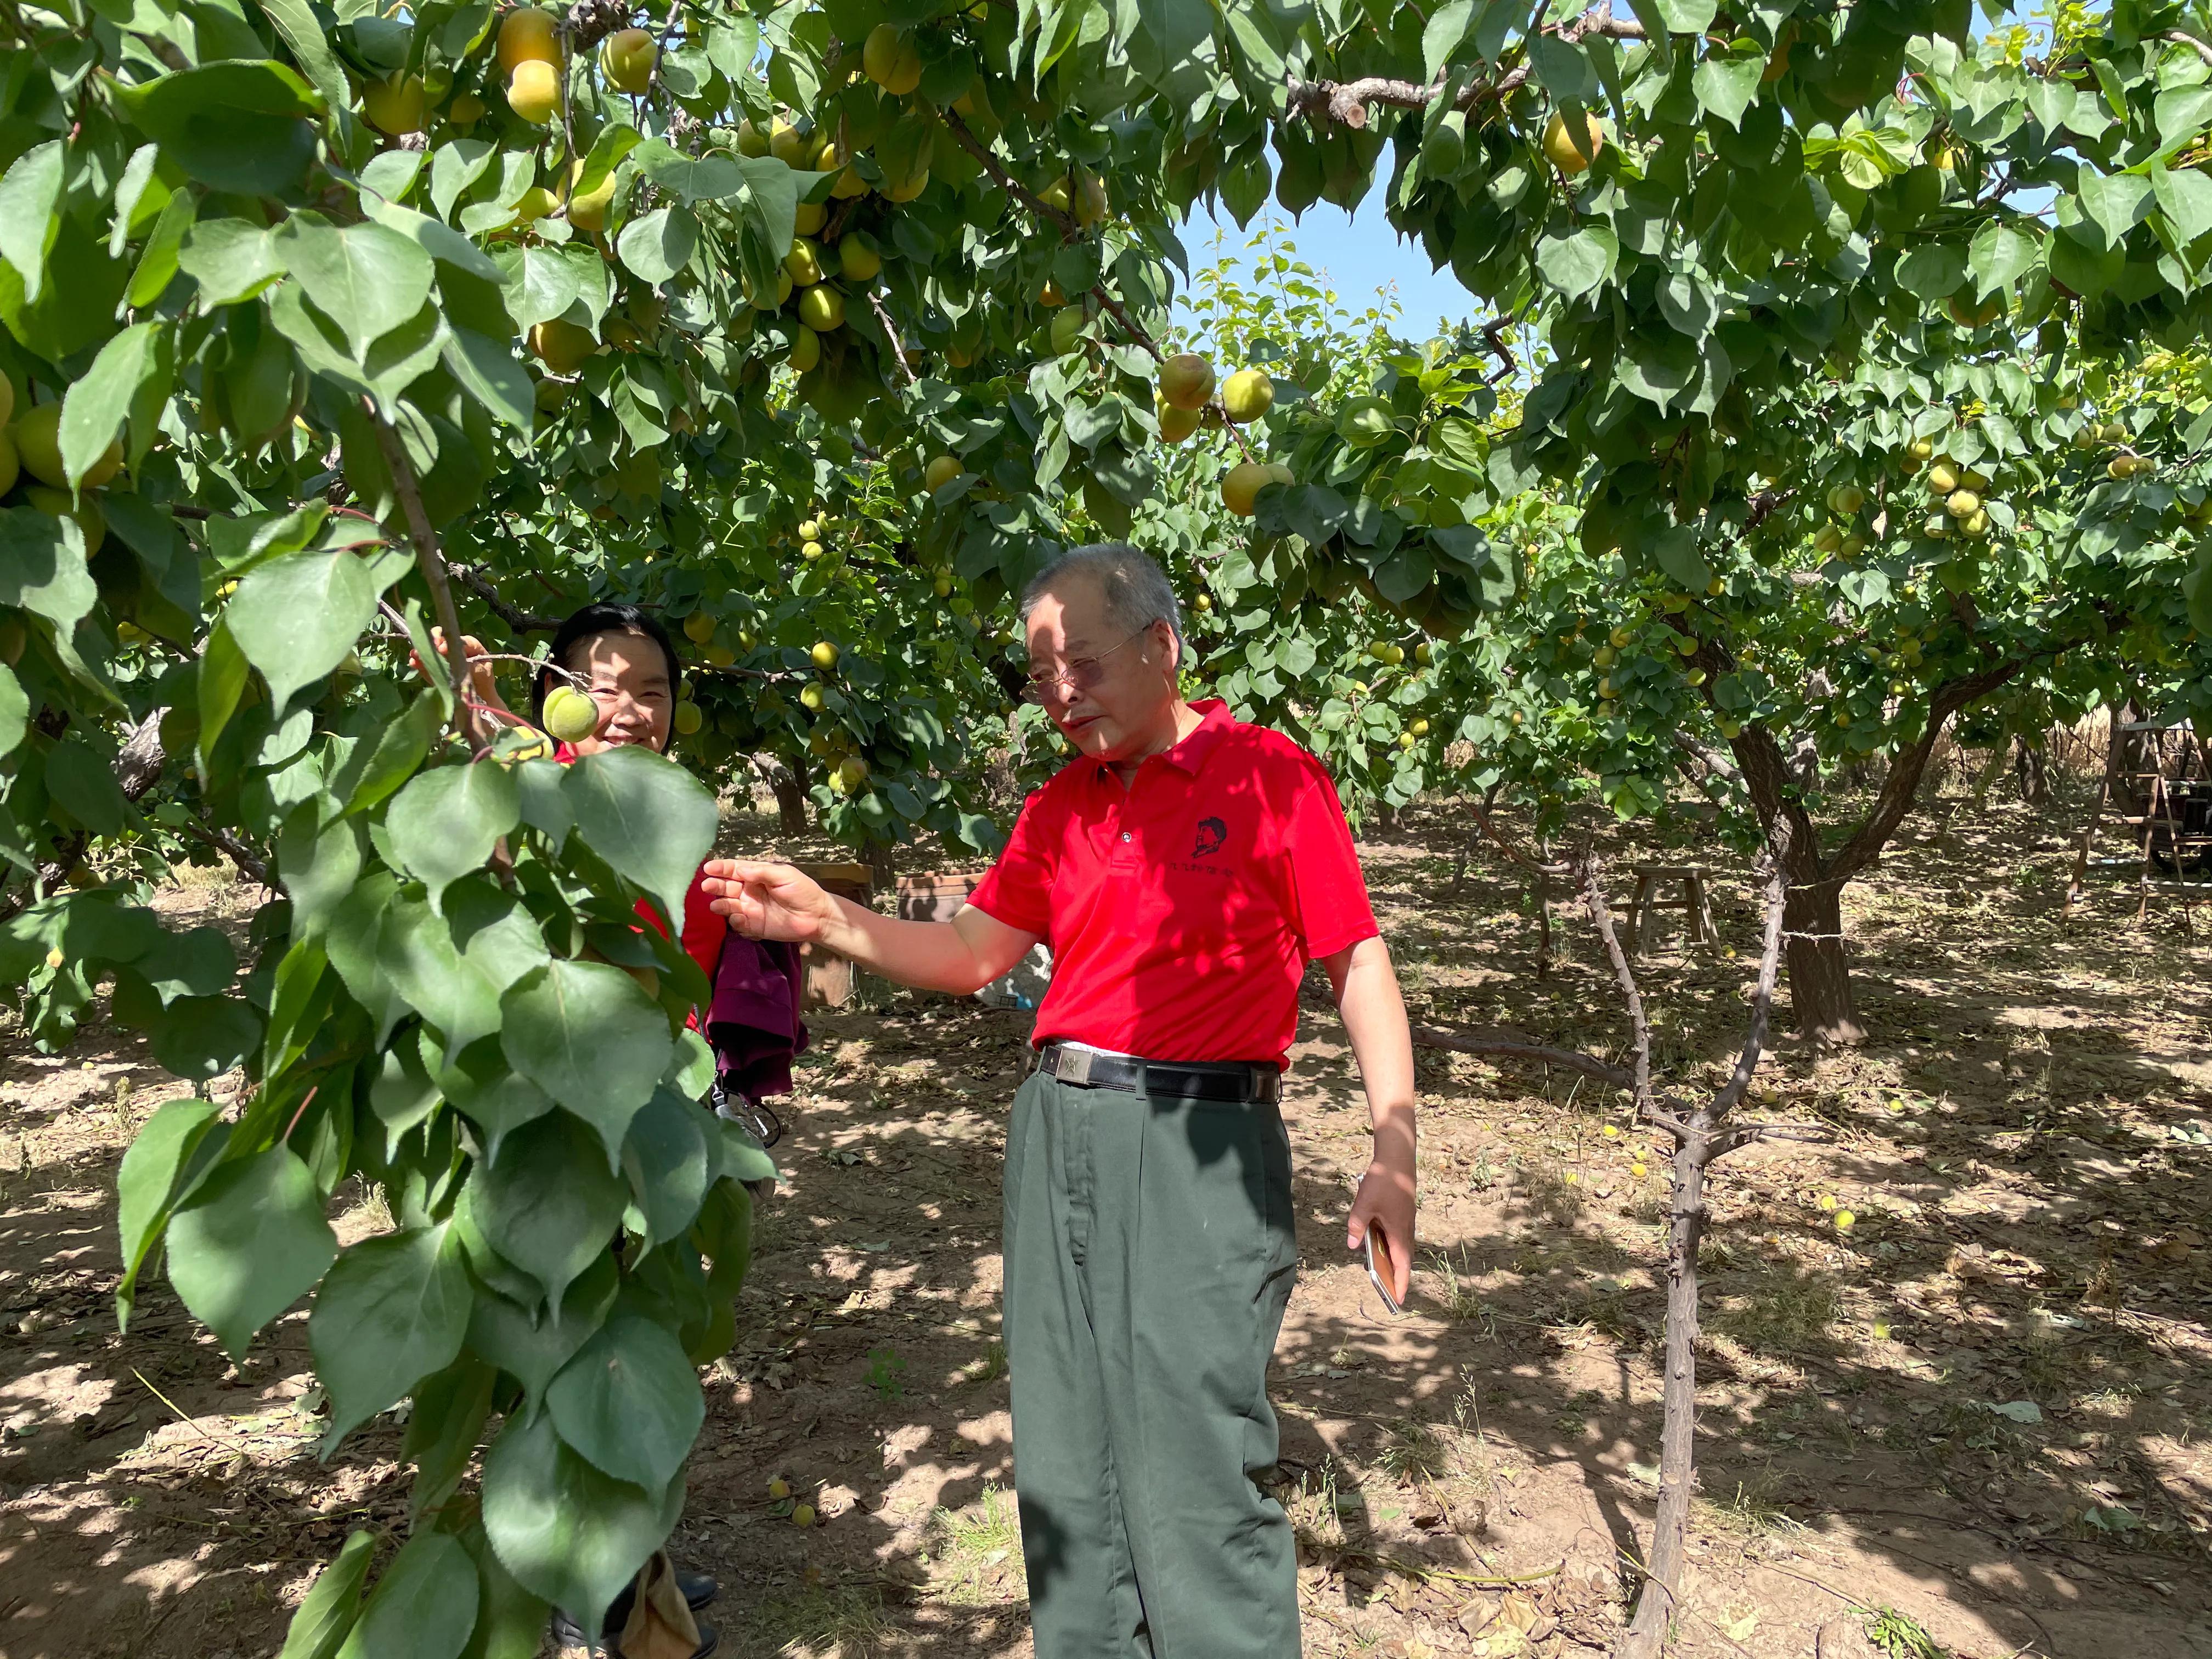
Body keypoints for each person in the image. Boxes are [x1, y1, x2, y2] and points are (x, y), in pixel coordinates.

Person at [702, 543, 1418, 1659]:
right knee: (1067, 1465)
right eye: (1043, 677)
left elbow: (1356, 962)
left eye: (1080, 665)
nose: (1062, 696)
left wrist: (1395, 1144)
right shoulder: (1061, 810)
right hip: (1058, 1129)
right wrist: (824, 923)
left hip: (1200, 1138)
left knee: (1192, 1465)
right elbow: (974, 952)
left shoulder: (1271, 776)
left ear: (1161, 647)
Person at [425, 602, 807, 1658]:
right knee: (563, 1336)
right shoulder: (529, 777)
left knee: (640, 1340)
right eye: (607, 680)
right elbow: (482, 744)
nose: (633, 708)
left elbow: (696, 956)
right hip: (548, 1111)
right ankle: (575, 1588)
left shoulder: (668, 806)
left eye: (655, 689)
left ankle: (631, 1556)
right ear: (560, 684)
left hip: (658, 1108)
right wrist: (476, 698)